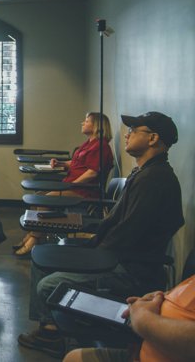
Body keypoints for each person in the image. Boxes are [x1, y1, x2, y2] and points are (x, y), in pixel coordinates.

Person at [18, 111, 184, 358]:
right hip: (113, 253)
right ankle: (50, 328)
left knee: (48, 283)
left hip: (129, 268)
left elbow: (128, 235)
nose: (127, 135)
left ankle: (54, 335)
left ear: (153, 138)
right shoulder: (144, 173)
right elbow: (117, 224)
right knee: (40, 259)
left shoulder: (155, 180)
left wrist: (89, 251)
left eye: (134, 130)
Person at [13, 112, 115, 255]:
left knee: (44, 200)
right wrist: (60, 163)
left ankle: (34, 238)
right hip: (74, 187)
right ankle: (33, 235)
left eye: (86, 121)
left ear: (96, 125)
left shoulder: (101, 147)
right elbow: (76, 163)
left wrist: (71, 185)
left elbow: (92, 172)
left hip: (84, 191)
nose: (82, 123)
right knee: (38, 196)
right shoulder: (89, 143)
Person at [63, 275, 195, 362]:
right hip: (146, 348)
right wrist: (161, 297)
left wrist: (142, 319)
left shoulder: (142, 321)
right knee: (74, 358)